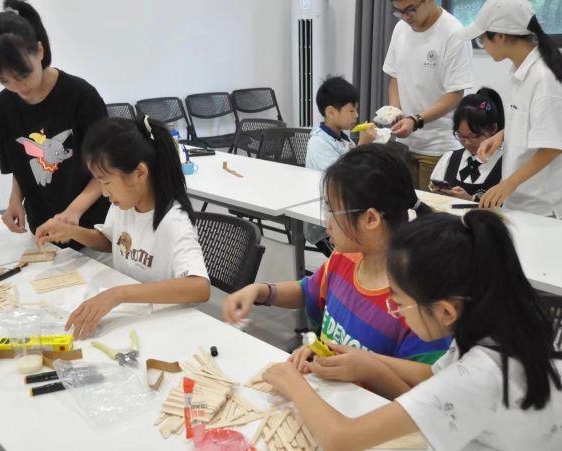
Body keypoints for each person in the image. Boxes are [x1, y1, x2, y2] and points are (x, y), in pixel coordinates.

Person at [261, 210, 562, 451]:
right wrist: (368, 361)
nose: (395, 310)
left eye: (400, 303)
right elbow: (433, 376)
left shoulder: (477, 377)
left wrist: (293, 383)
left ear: (445, 311)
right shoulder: (496, 325)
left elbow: (340, 438)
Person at [223, 145, 451, 393]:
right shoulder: (345, 257)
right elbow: (308, 291)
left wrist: (370, 370)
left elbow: (424, 396)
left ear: (371, 219)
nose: (326, 222)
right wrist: (261, 291)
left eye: (333, 211)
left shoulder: (416, 297)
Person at [35, 116, 211, 340]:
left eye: (106, 182)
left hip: (168, 327)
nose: (104, 192)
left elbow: (199, 287)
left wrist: (118, 294)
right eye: (100, 183)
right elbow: (112, 242)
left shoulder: (174, 222)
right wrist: (71, 232)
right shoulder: (125, 204)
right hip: (134, 318)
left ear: (140, 173)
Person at [0, 0, 109, 249]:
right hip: (42, 230)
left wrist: (73, 213)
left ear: (39, 51)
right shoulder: (4, 107)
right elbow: (20, 163)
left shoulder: (81, 97)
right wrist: (15, 200)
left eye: (23, 74)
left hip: (93, 230)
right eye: (5, 81)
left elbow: (108, 169)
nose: (19, 87)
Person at [457, 0, 562, 218]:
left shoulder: (543, 78)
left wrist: (508, 184)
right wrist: (503, 135)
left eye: (482, 39)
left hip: (543, 205)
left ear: (500, 36)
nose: (482, 45)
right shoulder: (521, 71)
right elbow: (532, 121)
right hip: (523, 199)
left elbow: (553, 146)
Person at [384, 0, 474, 191]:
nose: (405, 17)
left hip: (439, 146)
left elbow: (455, 94)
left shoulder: (453, 33)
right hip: (405, 145)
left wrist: (416, 120)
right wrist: (394, 110)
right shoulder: (401, 29)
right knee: (403, 204)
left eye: (411, 10)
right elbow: (396, 77)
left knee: (433, 207)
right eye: (399, 12)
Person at [305, 75, 377, 257]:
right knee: (349, 260)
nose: (356, 115)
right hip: (325, 222)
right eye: (351, 110)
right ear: (331, 112)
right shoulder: (319, 142)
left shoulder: (343, 140)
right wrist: (362, 146)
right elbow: (339, 177)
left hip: (345, 211)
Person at [429, 87, 504, 202]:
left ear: (493, 129)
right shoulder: (449, 158)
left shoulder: (505, 164)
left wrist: (470, 199)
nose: (467, 142)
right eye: (461, 136)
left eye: (474, 136)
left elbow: (507, 207)